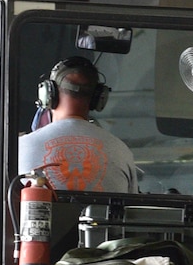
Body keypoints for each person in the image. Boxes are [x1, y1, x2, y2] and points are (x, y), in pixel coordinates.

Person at [19, 54, 139, 193]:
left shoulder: (21, 147)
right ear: (98, 98)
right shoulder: (121, 152)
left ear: (48, 94)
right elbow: (132, 209)